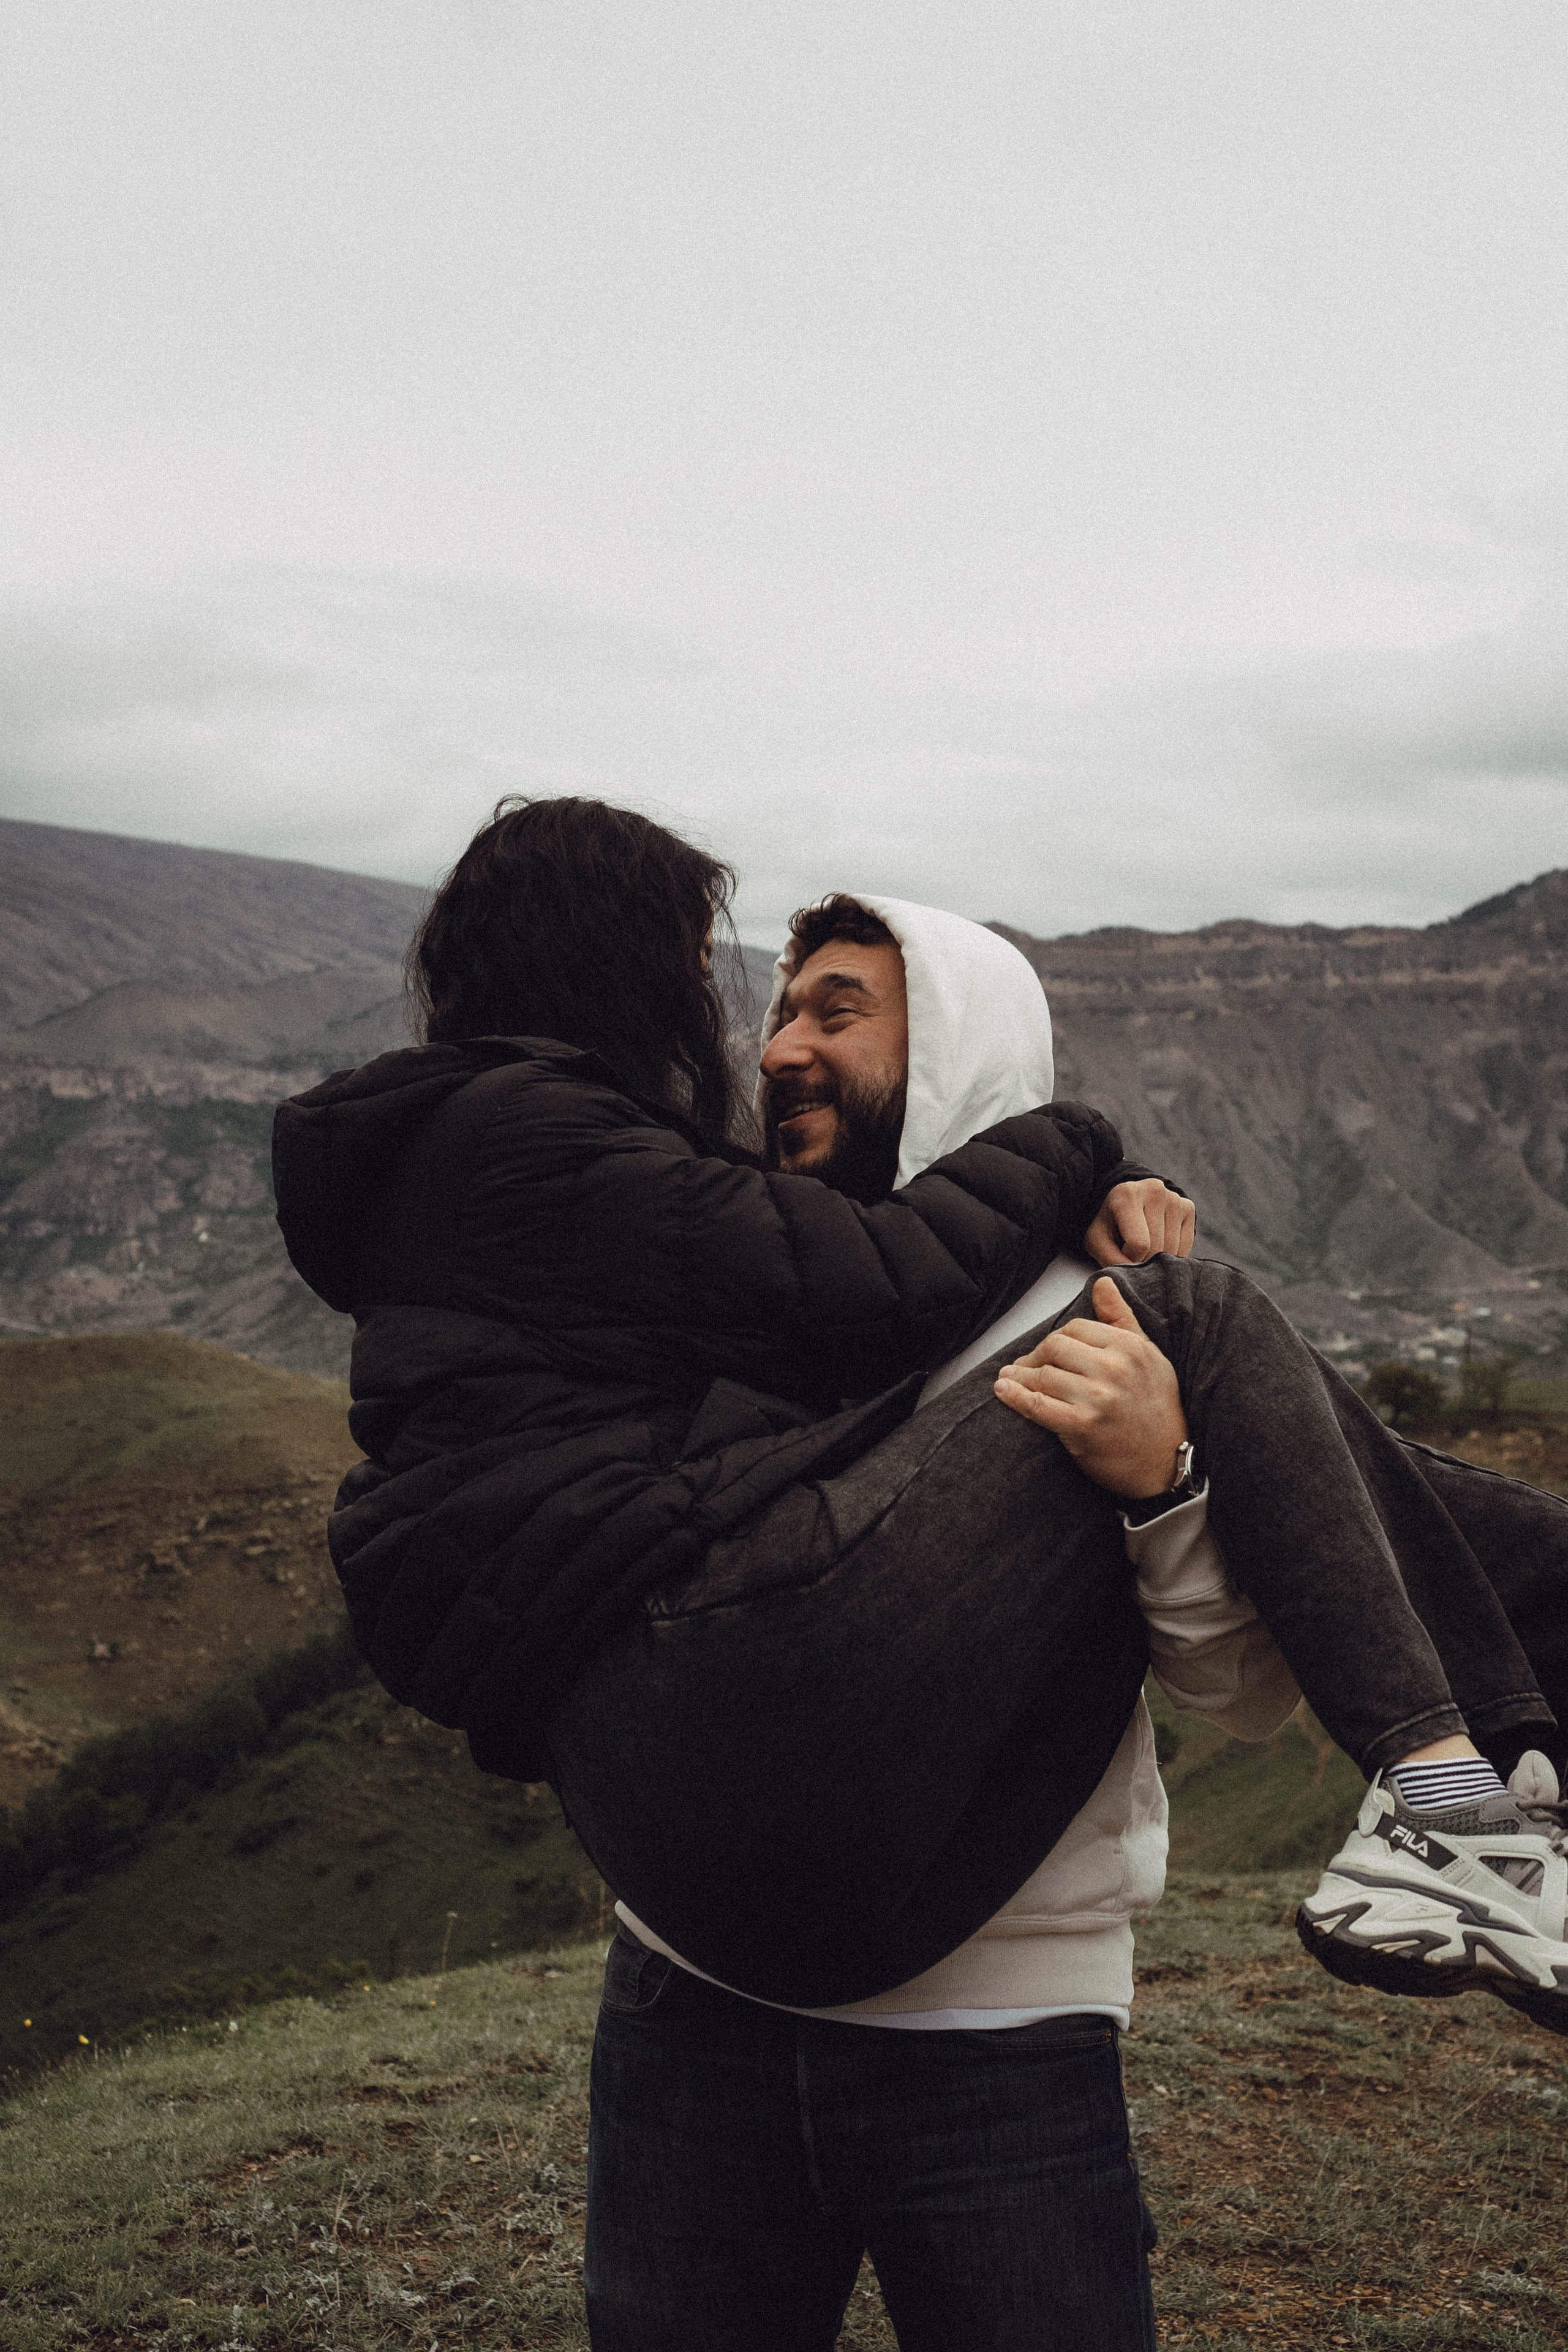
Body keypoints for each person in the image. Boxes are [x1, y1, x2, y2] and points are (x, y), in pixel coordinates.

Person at [272, 803, 1568, 2326]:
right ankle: (1464, 1792)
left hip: (994, 2027)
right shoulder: (729, 1267)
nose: (774, 1050)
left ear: (950, 1042)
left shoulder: (1052, 1291)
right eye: (770, 1009)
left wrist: (1156, 1489)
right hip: (693, 1995)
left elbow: (1229, 1687)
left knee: (1191, 1336)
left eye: (835, 1010)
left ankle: (1469, 1792)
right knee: (1197, 1315)